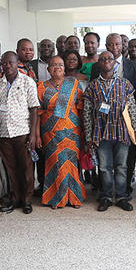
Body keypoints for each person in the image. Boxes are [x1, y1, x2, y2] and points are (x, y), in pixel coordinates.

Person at [83, 51, 136, 212]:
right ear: (98, 63)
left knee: (122, 166)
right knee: (104, 167)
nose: (106, 61)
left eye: (109, 59)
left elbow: (132, 109)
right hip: (100, 134)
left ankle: (121, 196)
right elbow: (87, 113)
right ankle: (106, 196)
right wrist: (88, 136)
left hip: (122, 131)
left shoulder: (125, 83)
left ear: (115, 63)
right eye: (102, 59)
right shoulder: (92, 86)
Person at [91, 33, 136, 198]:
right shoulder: (96, 67)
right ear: (106, 46)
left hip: (125, 122)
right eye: (111, 45)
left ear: (123, 45)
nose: (114, 48)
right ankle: (105, 192)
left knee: (125, 161)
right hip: (103, 123)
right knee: (104, 163)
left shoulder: (133, 66)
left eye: (118, 44)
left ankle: (124, 189)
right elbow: (93, 97)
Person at [36, 56, 86, 209]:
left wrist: (85, 131)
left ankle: (74, 197)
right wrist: (37, 135)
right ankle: (55, 197)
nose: (57, 67)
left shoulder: (74, 84)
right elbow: (37, 112)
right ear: (48, 69)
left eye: (60, 65)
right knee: (54, 163)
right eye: (53, 65)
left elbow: (81, 107)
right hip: (50, 132)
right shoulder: (41, 86)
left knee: (71, 164)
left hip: (72, 130)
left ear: (65, 68)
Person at [0, 51, 40, 214]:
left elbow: (34, 108)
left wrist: (33, 134)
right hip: (3, 133)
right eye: (4, 63)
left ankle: (27, 200)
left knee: (26, 168)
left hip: (23, 131)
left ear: (17, 63)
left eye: (11, 63)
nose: (7, 66)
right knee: (11, 169)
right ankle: (16, 198)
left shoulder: (28, 82)